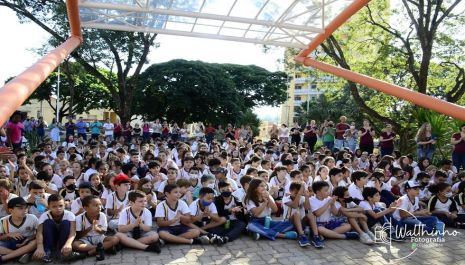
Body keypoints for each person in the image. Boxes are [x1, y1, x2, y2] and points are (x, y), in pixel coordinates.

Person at [34, 194, 83, 263]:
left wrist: (68, 244)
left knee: (66, 223)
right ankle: (47, 251)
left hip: (63, 240)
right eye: (54, 206)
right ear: (49, 207)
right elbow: (39, 232)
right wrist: (39, 247)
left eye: (61, 206)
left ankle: (62, 251)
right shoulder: (45, 215)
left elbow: (73, 232)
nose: (58, 208)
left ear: (64, 205)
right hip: (50, 239)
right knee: (48, 222)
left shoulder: (69, 214)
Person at [73, 195, 119, 261]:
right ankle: (104, 248)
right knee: (75, 244)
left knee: (115, 239)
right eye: (95, 205)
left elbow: (104, 231)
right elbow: (78, 235)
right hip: (85, 239)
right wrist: (89, 229)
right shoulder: (79, 218)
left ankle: (89, 253)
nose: (99, 207)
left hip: (98, 237)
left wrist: (97, 229)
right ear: (86, 208)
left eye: (100, 204)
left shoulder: (102, 215)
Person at [0, 197, 38, 264]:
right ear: (11, 210)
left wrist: (29, 238)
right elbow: (1, 238)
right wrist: (8, 235)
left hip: (27, 243)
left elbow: (39, 233)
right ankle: (20, 255)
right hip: (11, 243)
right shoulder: (3, 221)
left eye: (25, 207)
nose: (25, 210)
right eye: (20, 208)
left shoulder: (32, 218)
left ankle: (3, 258)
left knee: (35, 242)